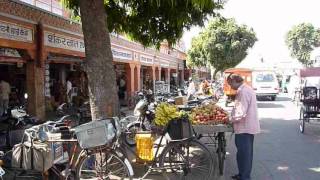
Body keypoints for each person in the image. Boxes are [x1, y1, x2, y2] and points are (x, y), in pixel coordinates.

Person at [227, 74, 260, 180]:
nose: (230, 86)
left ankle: (244, 177)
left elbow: (240, 112)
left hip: (244, 128)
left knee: (244, 155)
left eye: (230, 84)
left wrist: (229, 119)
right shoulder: (245, 89)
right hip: (246, 127)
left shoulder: (243, 91)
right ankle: (242, 174)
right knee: (243, 154)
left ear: (234, 81)